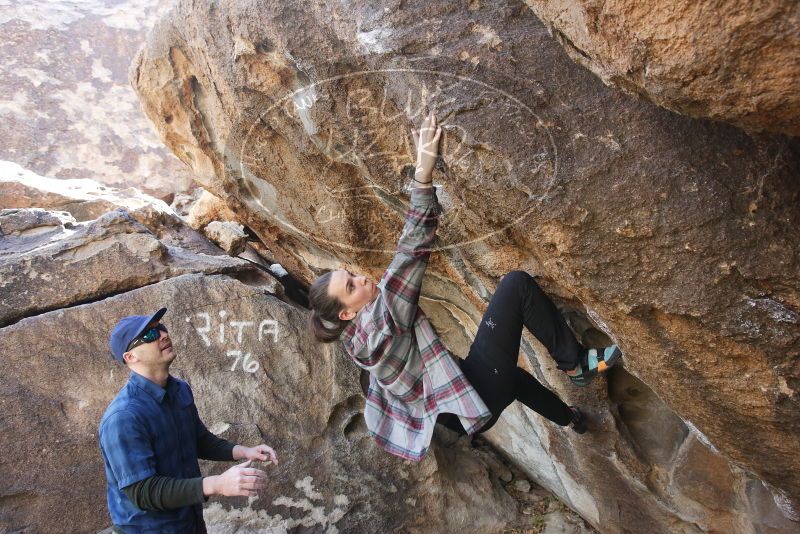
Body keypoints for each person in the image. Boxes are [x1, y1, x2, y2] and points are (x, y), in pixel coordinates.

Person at [307, 112, 622, 461]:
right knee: (516, 285)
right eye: (351, 286)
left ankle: (571, 419)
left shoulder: (354, 340)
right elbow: (411, 252)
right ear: (348, 311)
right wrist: (423, 175)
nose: (362, 279)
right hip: (475, 393)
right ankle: (575, 363)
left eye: (351, 274)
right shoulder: (381, 319)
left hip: (460, 413)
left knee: (513, 380)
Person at [99, 307, 278, 533]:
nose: (163, 335)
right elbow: (143, 491)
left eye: (161, 329)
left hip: (189, 523)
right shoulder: (123, 417)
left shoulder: (179, 390)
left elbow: (199, 440)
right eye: (150, 335)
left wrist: (244, 451)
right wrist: (218, 484)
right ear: (130, 357)